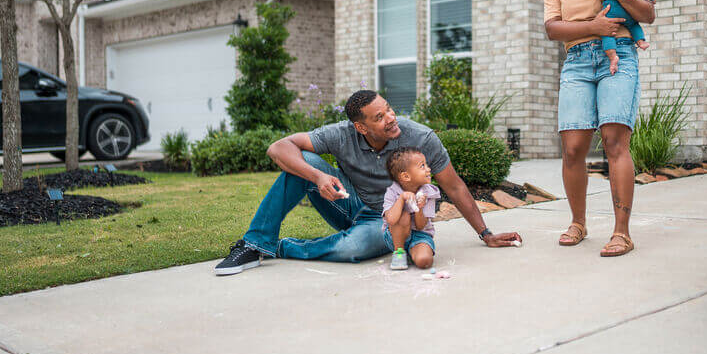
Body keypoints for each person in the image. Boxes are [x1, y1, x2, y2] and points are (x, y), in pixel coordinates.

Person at [215, 90, 522, 275]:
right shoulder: (341, 134)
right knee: (302, 164)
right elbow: (277, 148)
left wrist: (486, 233)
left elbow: (454, 187)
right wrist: (319, 176)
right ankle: (254, 244)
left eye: (389, 109)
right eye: (379, 117)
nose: (390, 118)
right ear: (360, 126)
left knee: (355, 248)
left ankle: (281, 248)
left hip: (392, 217)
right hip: (350, 204)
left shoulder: (420, 138)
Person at [543, 0, 655, 257]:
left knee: (614, 141)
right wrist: (595, 26)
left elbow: (648, 13)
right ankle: (578, 223)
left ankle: (622, 232)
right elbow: (553, 29)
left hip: (617, 56)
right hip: (577, 63)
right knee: (574, 147)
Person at [382, 147, 440, 271]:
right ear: (406, 176)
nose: (428, 169)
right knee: (403, 215)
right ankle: (399, 253)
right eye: (422, 166)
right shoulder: (392, 191)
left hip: (420, 235)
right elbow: (391, 220)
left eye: (426, 164)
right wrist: (402, 198)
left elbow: (420, 226)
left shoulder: (428, 192)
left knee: (424, 261)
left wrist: (420, 207)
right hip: (395, 237)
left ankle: (412, 252)